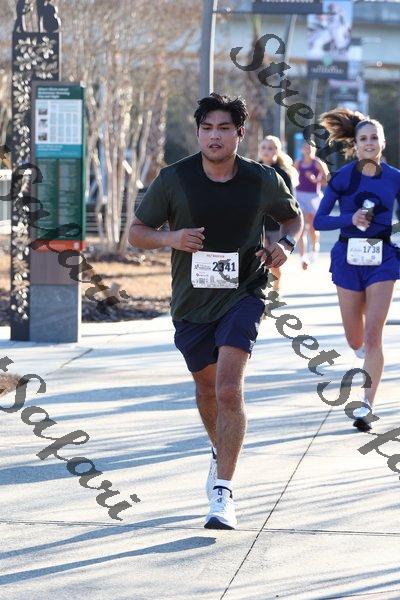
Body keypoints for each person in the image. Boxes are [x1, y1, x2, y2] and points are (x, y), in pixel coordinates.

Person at [129, 93, 302, 529]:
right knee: (207, 390)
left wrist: (284, 245)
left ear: (239, 133)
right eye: (207, 128)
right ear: (198, 132)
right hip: (191, 303)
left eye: (224, 128)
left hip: (244, 292)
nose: (214, 136)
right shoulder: (174, 179)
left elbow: (292, 218)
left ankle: (223, 492)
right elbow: (137, 232)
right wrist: (171, 239)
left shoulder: (262, 179)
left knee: (227, 389)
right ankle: (219, 448)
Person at [314, 107, 400, 432]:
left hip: (382, 258)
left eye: (374, 137)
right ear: (356, 143)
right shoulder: (342, 177)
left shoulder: (395, 177)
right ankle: (362, 351)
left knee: (374, 335)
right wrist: (349, 218)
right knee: (355, 338)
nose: (369, 143)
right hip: (348, 257)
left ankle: (367, 404)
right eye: (363, 138)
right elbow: (319, 221)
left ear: (383, 142)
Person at [258, 135, 299, 299]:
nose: (266, 151)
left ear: (277, 151)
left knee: (273, 262)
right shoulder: (252, 170)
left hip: (276, 225)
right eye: (264, 147)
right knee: (258, 262)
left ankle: (276, 287)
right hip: (258, 225)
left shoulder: (283, 174)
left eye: (270, 148)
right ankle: (260, 294)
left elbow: (291, 204)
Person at [295, 142, 329, 269]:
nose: (307, 150)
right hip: (300, 196)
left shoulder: (317, 163)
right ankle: (303, 257)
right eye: (305, 147)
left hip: (314, 197)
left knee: (313, 227)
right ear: (301, 149)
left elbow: (327, 180)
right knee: (302, 227)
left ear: (314, 149)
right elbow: (291, 178)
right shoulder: (298, 163)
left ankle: (314, 249)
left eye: (310, 147)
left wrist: (316, 180)